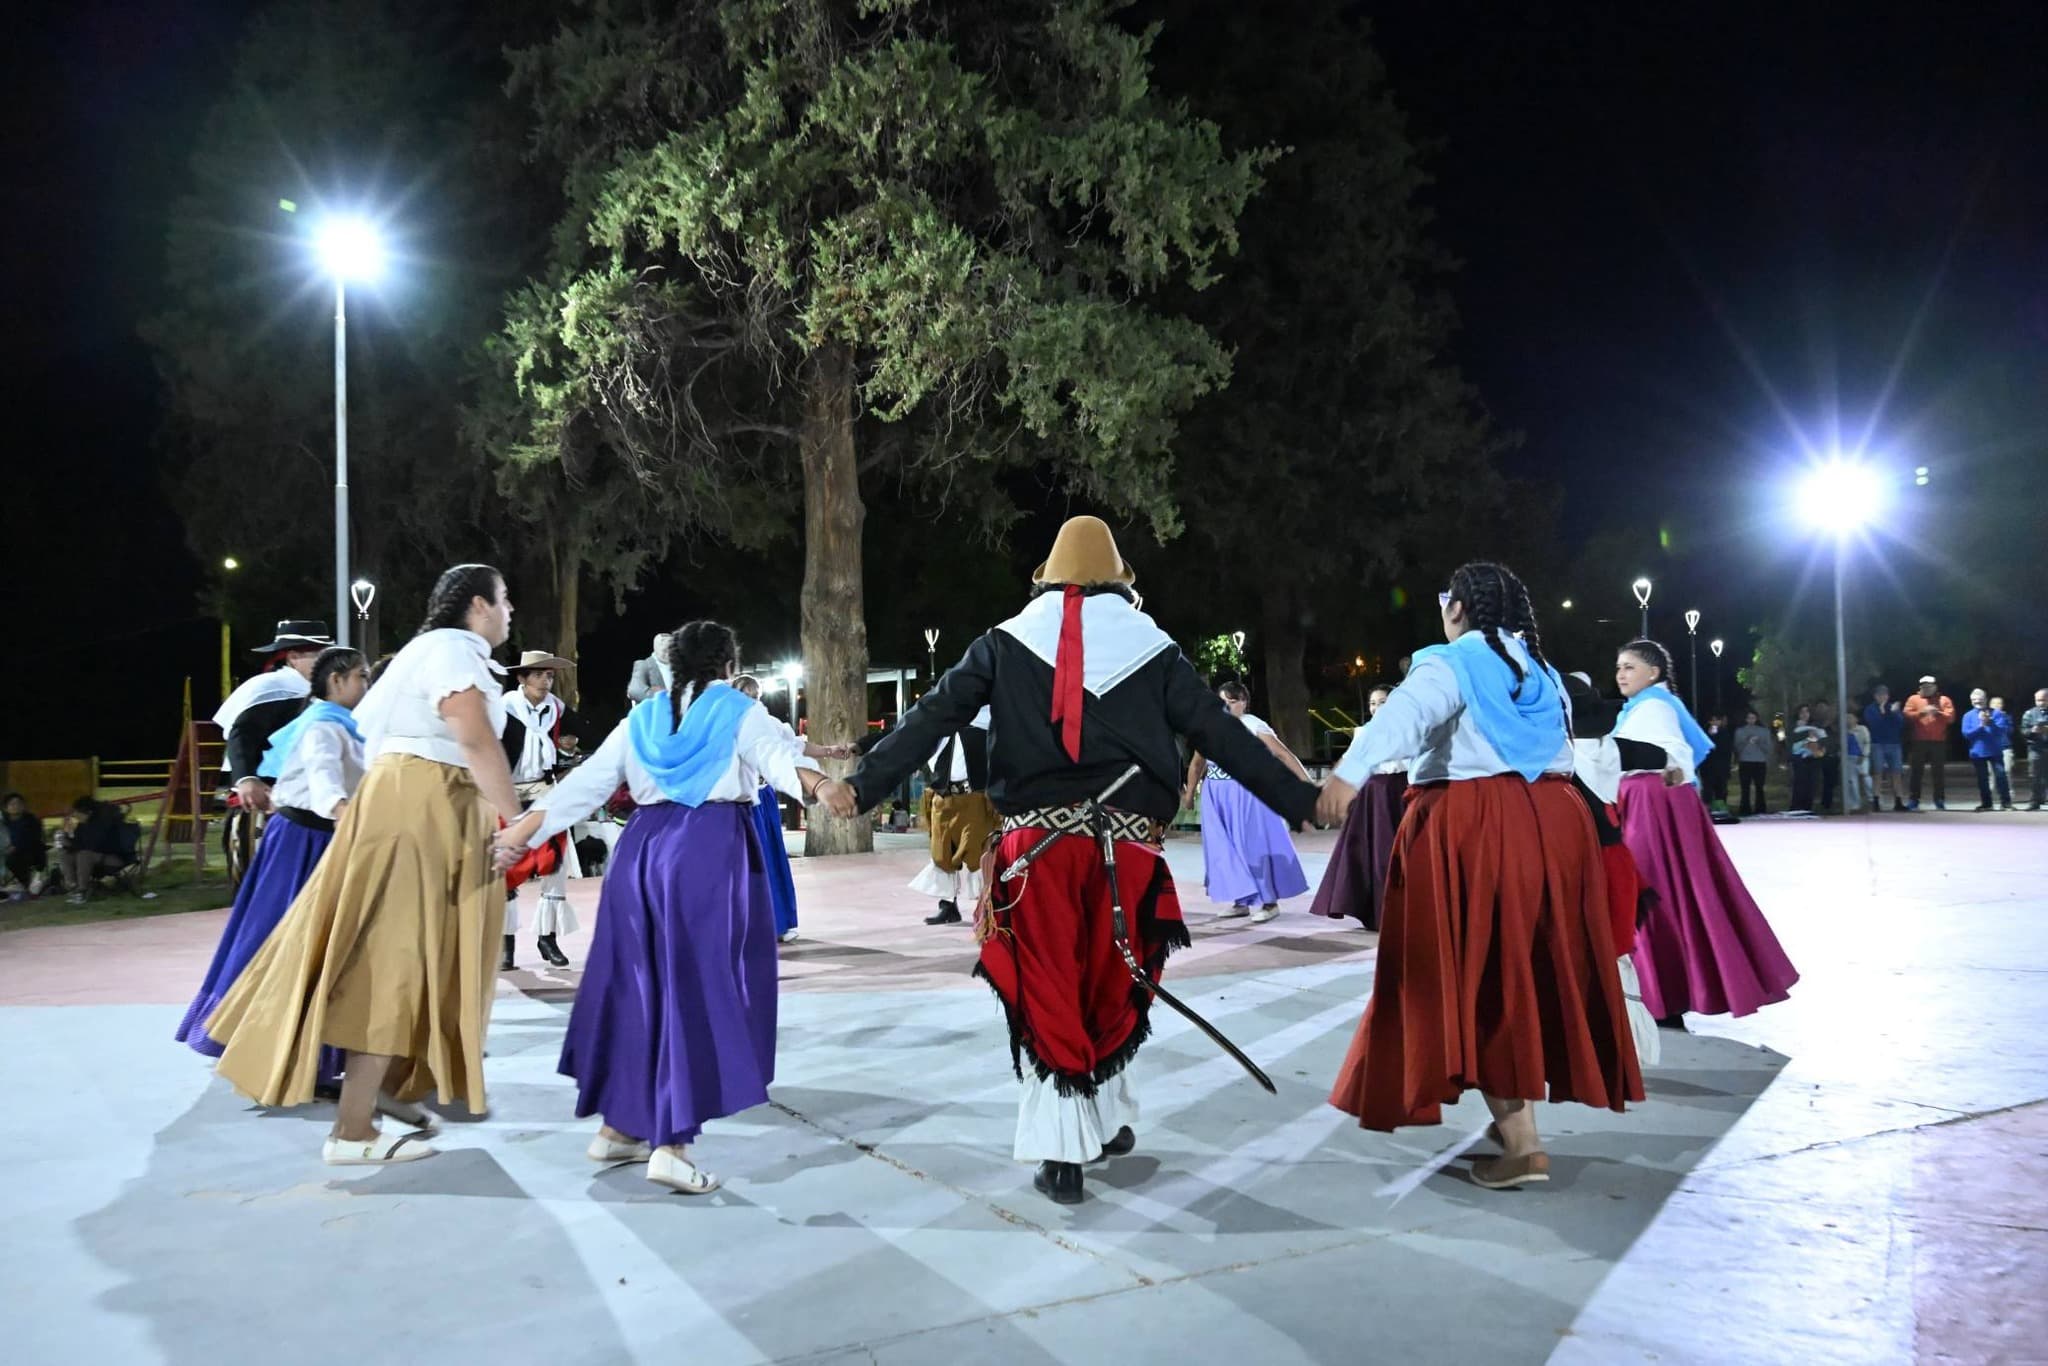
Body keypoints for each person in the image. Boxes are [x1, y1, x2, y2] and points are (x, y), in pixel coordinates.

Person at [822, 515, 1319, 1205]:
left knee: (1051, 987)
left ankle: (1064, 1151)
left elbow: (932, 718)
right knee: (1115, 980)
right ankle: (1107, 1118)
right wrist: (1303, 799)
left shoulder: (1002, 643)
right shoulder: (1157, 648)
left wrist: (862, 786)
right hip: (1131, 851)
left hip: (1036, 855)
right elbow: (1220, 734)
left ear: (1046, 579)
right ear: (1120, 582)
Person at [1320, 563, 1643, 1190]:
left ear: (1460, 608)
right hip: (1555, 822)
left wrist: (1346, 775)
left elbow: (1399, 721)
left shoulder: (1450, 662)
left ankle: (1523, 1144)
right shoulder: (1544, 671)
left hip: (1472, 826)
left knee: (1483, 974)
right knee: (1532, 967)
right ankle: (1511, 1116)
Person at [496, 624, 848, 1195]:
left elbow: (585, 784)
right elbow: (778, 759)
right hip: (707, 854)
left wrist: (522, 831)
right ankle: (673, 1143)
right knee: (698, 992)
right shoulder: (737, 707)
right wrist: (823, 785)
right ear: (728, 663)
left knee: (641, 987)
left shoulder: (644, 716)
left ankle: (620, 1127)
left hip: (639, 855)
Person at [207, 564, 525, 1166]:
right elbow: (475, 738)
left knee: (413, 958)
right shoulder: (454, 648)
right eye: (506, 600)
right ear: (478, 605)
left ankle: (384, 1092)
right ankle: (352, 1131)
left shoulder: (421, 654)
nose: (512, 610)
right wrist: (519, 819)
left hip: (421, 803)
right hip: (427, 805)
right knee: (397, 960)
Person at [175, 647, 369, 1076]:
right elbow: (321, 780)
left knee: (312, 948)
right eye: (362, 677)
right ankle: (259, 1039)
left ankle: (300, 1048)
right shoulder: (313, 716)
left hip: (318, 837)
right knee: (279, 941)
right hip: (302, 841)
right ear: (333, 678)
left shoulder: (341, 719)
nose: (367, 685)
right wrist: (350, 818)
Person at [1612, 639, 1798, 1026]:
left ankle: (1663, 995)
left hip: (1651, 808)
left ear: (1653, 673)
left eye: (1629, 667)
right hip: (1654, 805)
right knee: (1666, 895)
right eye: (1618, 667)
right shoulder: (1650, 706)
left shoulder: (1654, 708)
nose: (1621, 675)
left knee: (1649, 895)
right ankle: (1665, 993)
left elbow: (1661, 757)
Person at [734, 672, 859, 943]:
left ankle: (778, 922)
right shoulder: (726, 723)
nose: (752, 700)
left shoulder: (767, 722)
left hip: (762, 799)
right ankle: (745, 926)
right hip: (739, 804)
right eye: (745, 695)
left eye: (755, 695)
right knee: (743, 865)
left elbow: (794, 746)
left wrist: (829, 751)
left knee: (771, 860)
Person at [1184, 682, 1311, 924]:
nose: (1228, 706)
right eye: (1223, 701)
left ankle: (1269, 902)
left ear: (1244, 703)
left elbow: (1283, 754)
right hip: (1215, 794)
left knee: (1253, 846)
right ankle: (1240, 900)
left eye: (1233, 701)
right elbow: (1197, 763)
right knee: (1224, 848)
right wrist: (1190, 794)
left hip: (1248, 793)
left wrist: (1305, 781)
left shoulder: (1254, 725)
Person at [499, 650, 585, 970]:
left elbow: (583, 731)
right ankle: (505, 943)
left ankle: (548, 937)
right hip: (508, 796)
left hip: (545, 794)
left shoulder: (556, 708)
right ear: (521, 679)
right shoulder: (503, 708)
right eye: (538, 675)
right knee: (508, 869)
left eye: (549, 676)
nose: (545, 681)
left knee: (554, 866)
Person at [1308, 684, 1407, 929]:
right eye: (1373, 703)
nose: (1376, 708)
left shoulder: (1409, 727)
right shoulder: (1364, 732)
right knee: (1373, 852)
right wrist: (1328, 783)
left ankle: (1404, 910)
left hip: (1402, 791)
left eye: (1382, 702)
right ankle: (1377, 911)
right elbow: (1349, 760)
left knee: (1401, 853)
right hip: (1372, 794)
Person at [216, 622, 334, 816]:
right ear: (293, 658)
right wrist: (246, 778)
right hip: (268, 796)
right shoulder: (272, 687)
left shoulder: (320, 691)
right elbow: (242, 734)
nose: (327, 664)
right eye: (319, 656)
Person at [913, 709, 998, 926]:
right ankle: (948, 906)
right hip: (943, 797)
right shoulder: (934, 727)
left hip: (974, 797)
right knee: (941, 853)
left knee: (976, 853)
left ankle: (988, 907)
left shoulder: (984, 716)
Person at [58, 797, 134, 902]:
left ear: (88, 812)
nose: (75, 816)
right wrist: (66, 840)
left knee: (84, 855)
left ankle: (82, 890)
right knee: (66, 855)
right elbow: (79, 844)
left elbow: (95, 845)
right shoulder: (82, 825)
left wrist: (75, 846)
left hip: (114, 858)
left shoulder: (104, 823)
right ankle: (72, 887)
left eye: (77, 813)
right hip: (93, 857)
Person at [1904, 675, 1956, 811]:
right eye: (1924, 687)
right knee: (1916, 771)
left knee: (1938, 772)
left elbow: (1951, 718)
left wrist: (1938, 712)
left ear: (1935, 687)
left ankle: (1939, 799)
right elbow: (1907, 715)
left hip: (1938, 741)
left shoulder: (1944, 700)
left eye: (1930, 686)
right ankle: (1914, 799)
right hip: (1919, 741)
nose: (1927, 689)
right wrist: (1922, 712)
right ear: (1920, 687)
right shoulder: (1913, 699)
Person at [1962, 692, 2014, 812]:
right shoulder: (1968, 716)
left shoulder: (1997, 714)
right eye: (1974, 700)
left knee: (2001, 776)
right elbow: (1966, 734)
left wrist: (1990, 723)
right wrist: (1981, 726)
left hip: (1995, 750)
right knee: (1982, 779)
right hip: (1977, 752)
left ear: (1985, 699)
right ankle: (1986, 803)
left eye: (1979, 699)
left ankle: (2006, 803)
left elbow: (2002, 731)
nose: (1977, 702)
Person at [1863, 685, 1906, 811]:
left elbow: (1900, 723)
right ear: (1875, 696)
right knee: (1877, 772)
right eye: (1879, 695)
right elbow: (1874, 724)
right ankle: (1875, 800)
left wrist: (1893, 713)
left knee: (1896, 773)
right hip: (1878, 744)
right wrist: (1882, 711)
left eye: (1885, 695)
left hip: (1894, 744)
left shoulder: (1893, 708)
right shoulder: (1870, 709)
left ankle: (1898, 801)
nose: (1882, 697)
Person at [2, 792, 48, 898]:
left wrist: (14, 847)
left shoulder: (32, 821)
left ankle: (27, 885)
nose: (16, 806)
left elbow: (32, 839)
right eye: (12, 804)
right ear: (6, 808)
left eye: (18, 804)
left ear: (23, 806)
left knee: (12, 859)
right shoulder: (3, 822)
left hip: (32, 853)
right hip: (8, 851)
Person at [1732, 710, 1773, 815]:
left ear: (1757, 719)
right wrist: (1746, 740)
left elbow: (1768, 748)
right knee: (1745, 787)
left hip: (1759, 761)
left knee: (1759, 786)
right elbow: (1737, 747)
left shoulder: (1764, 731)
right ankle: (1745, 809)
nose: (1751, 720)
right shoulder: (1740, 731)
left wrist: (1759, 742)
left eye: (1753, 718)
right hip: (1745, 761)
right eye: (1749, 718)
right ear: (1746, 719)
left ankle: (1760, 808)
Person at [1787, 703, 1825, 812]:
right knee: (1799, 782)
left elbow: (1821, 739)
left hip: (1813, 757)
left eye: (1807, 711)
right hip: (1798, 757)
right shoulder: (1793, 726)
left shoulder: (1815, 725)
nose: (1804, 714)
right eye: (1802, 712)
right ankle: (1796, 807)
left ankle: (1808, 807)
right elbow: (1791, 739)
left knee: (1811, 783)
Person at [1698, 712, 1733, 810]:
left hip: (1721, 766)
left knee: (1721, 789)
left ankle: (1720, 809)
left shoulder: (1725, 733)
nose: (1715, 722)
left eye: (1717, 720)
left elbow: (1727, 749)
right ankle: (1707, 809)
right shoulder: (1704, 733)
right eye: (1712, 720)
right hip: (1708, 766)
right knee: (1708, 788)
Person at [626, 633, 672, 704]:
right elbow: (635, 690)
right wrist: (664, 696)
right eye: (665, 650)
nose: (669, 653)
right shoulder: (644, 665)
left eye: (671, 650)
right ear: (656, 648)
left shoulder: (679, 664)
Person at [2022, 689, 2048, 811]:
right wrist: (2032, 731)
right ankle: (2034, 801)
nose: (2040, 702)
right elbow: (2023, 731)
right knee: (2035, 776)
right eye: (2038, 700)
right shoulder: (2029, 714)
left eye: (2043, 700)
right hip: (2036, 749)